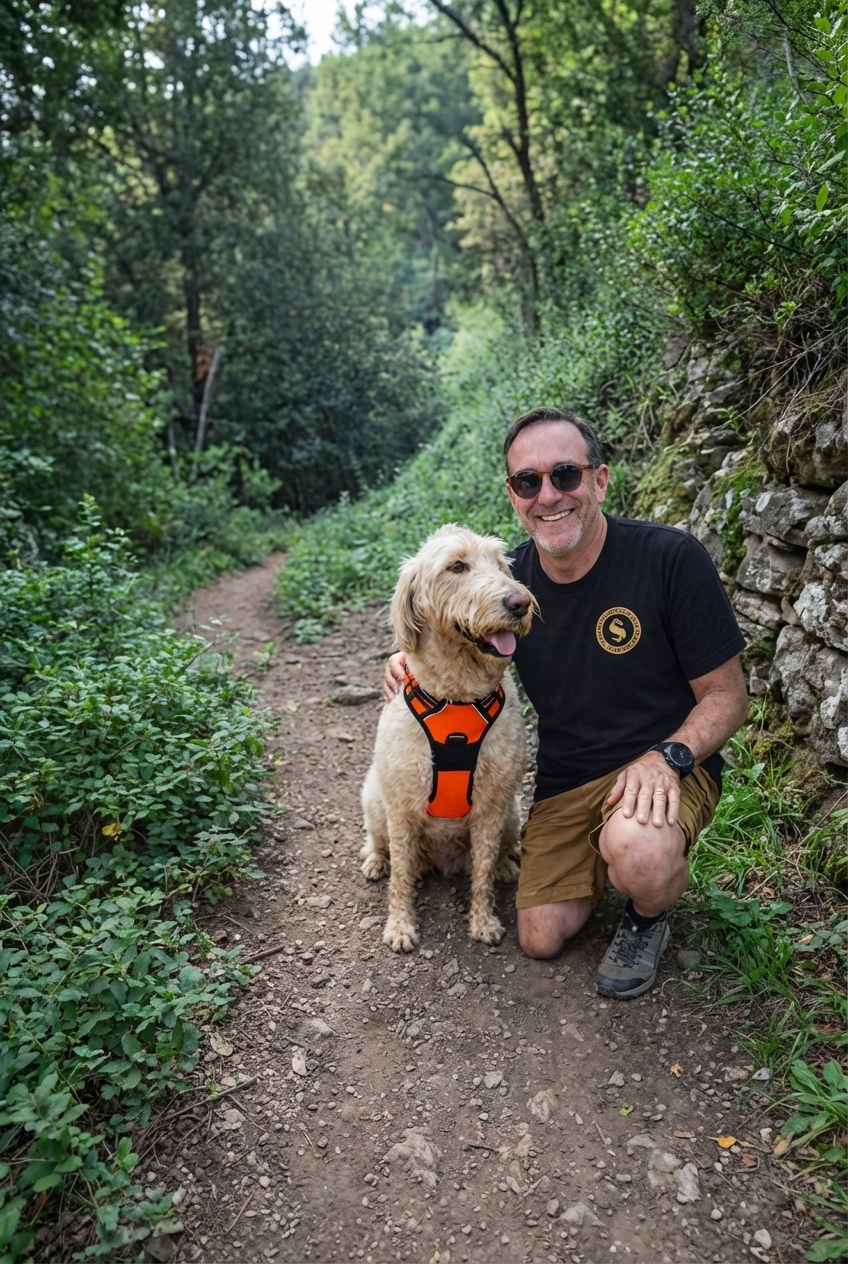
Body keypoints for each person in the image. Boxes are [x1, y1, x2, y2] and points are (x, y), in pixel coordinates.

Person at [383, 405, 748, 999]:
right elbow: (454, 632)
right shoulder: (510, 585)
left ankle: (647, 910)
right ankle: (610, 854)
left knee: (643, 854)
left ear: (599, 480)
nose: (548, 495)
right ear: (513, 495)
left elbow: (729, 695)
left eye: (566, 475)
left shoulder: (668, 558)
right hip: (566, 783)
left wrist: (670, 756)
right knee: (540, 937)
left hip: (661, 764)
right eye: (529, 481)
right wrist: (406, 658)